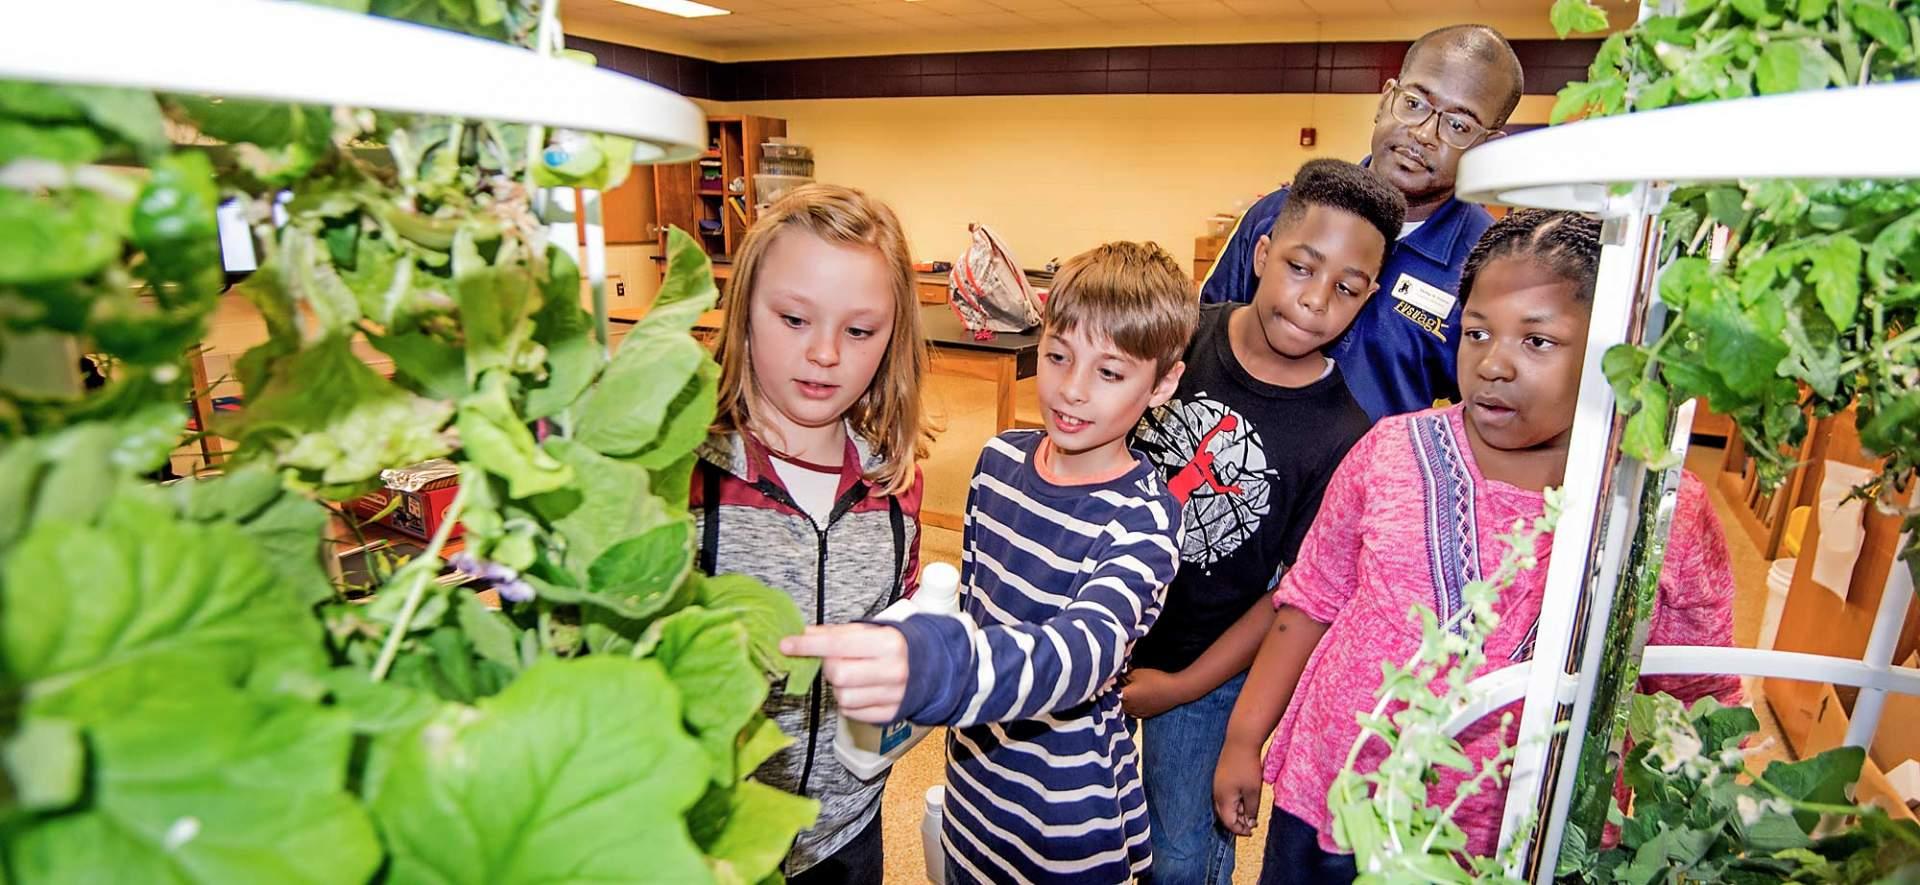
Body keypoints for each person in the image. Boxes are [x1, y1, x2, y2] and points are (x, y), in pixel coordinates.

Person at [1211, 210, 1739, 883]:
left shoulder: (1658, 508)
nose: (1493, 363)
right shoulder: (1392, 450)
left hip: (1510, 833)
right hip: (1336, 796)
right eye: (1476, 333)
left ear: (1617, 347)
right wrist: (1243, 737)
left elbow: (1693, 689)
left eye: (1539, 340)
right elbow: (1309, 599)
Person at [781, 241, 1200, 884]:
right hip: (972, 788)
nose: (1073, 390)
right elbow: (969, 608)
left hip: (1067, 827)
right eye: (1059, 357)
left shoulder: (1146, 518)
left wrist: (940, 668)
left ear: (1163, 382)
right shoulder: (999, 462)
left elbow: (1081, 655)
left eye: (1109, 373)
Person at [1120, 158, 1406, 885]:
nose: (1314, 301)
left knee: (1180, 858)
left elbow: (1290, 596)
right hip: (1103, 629)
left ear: (1368, 297)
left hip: (1208, 671)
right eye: (1301, 268)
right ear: (1261, 254)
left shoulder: (1345, 435)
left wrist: (1180, 686)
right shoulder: (1179, 338)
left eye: (1345, 288)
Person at [692, 183, 933, 885]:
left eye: (859, 331)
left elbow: (909, 617)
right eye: (795, 318)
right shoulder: (688, 476)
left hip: (850, 831)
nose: (825, 353)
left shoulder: (895, 484)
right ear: (744, 314)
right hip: (715, 844)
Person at [1200, 25, 1526, 422]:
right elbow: (1204, 340)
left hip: (1373, 480)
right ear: (1385, 99)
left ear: (1487, 146)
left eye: (1458, 125)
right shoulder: (1283, 212)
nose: (1424, 133)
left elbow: (1485, 418)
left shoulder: (1492, 269)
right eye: (1414, 103)